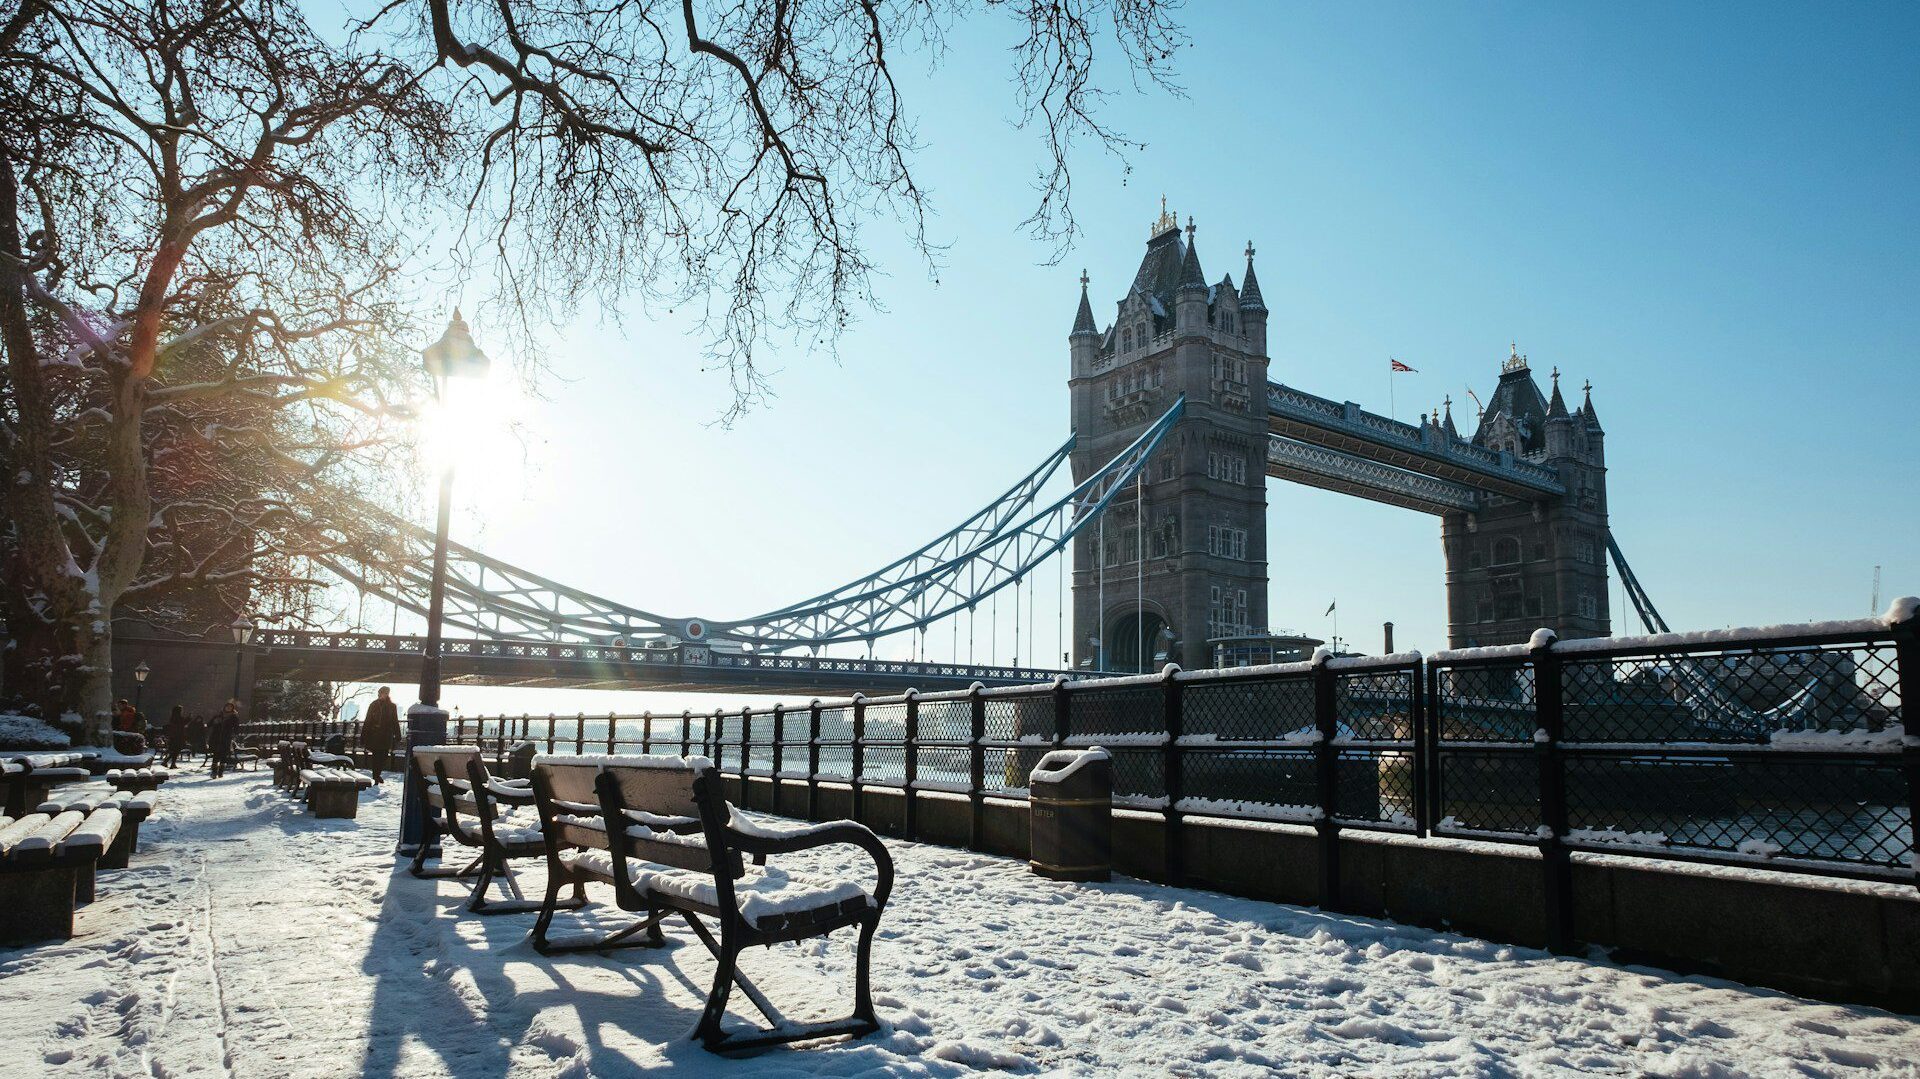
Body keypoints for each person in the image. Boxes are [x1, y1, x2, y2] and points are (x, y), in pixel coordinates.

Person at [361, 686, 402, 783]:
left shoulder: (392, 706)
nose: (384, 694)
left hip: (386, 735)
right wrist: (363, 736)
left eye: (386, 693)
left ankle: (377, 774)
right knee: (376, 755)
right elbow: (368, 720)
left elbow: (395, 721)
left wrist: (398, 734)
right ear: (380, 693)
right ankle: (376, 775)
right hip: (375, 734)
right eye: (383, 692)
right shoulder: (374, 705)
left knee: (384, 755)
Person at [208, 700, 238, 779]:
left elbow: (236, 727)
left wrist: (234, 734)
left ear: (232, 709)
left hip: (226, 738)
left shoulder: (234, 717)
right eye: (227, 707)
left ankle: (220, 772)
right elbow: (209, 724)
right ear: (224, 707)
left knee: (223, 755)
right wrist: (215, 722)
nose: (228, 708)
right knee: (216, 755)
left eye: (230, 707)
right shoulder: (219, 715)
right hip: (216, 738)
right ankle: (214, 772)